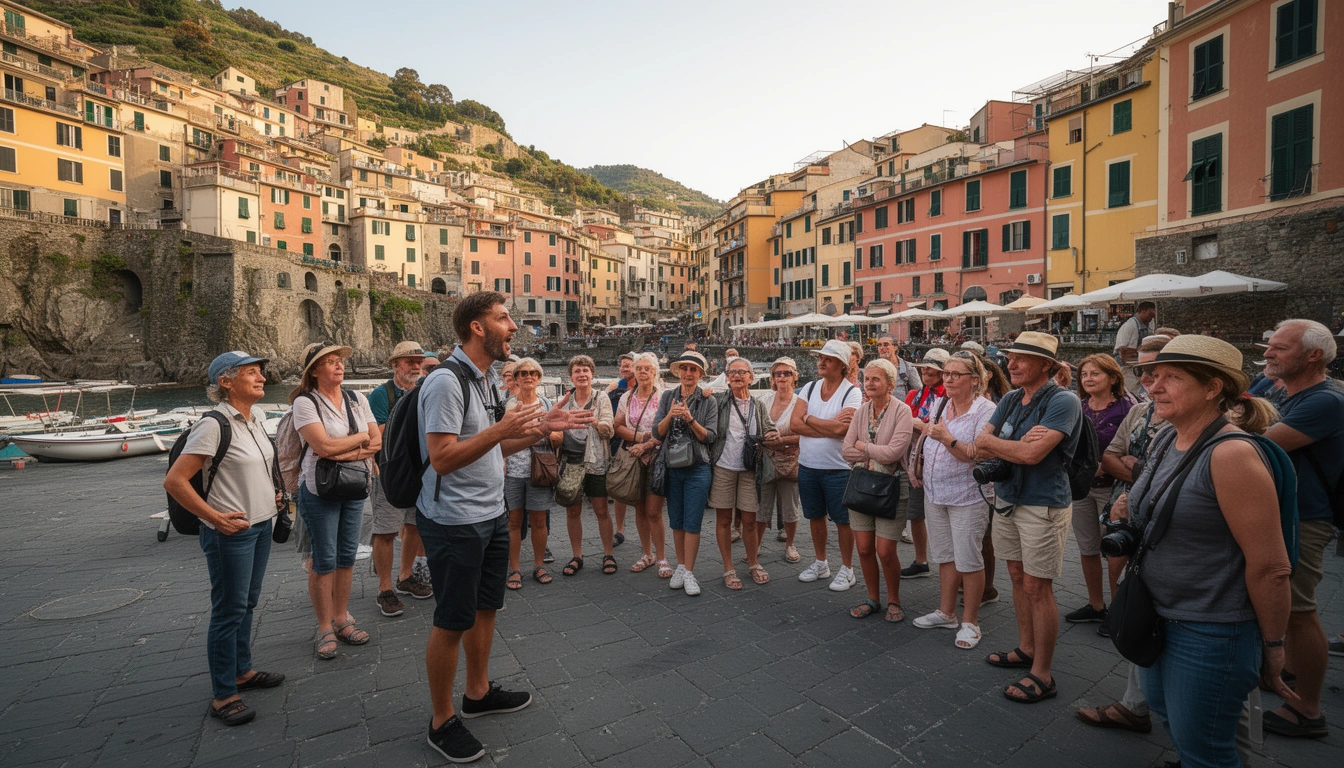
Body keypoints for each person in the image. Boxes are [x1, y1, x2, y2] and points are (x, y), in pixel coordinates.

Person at [416, 292, 593, 762]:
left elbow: (495, 449)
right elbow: (443, 457)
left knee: (487, 606)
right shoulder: (445, 383)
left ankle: (476, 693)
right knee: (452, 619)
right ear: (477, 327)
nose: (513, 326)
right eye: (503, 318)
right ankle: (440, 720)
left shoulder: (487, 380)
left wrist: (540, 428)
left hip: (490, 513)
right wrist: (502, 429)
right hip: (453, 520)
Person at [1121, 335, 1296, 765]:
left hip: (1210, 628)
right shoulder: (1168, 437)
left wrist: (1273, 646)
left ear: (1213, 387)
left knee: (1206, 747)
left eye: (1171, 377)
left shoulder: (1231, 454)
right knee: (1168, 714)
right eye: (1152, 376)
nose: (1153, 386)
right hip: (1159, 613)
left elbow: (1272, 567)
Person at [165, 352, 284, 727]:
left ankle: (241, 671)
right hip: (229, 534)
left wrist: (274, 495)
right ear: (226, 382)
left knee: (246, 603)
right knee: (229, 609)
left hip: (261, 525)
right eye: (252, 373)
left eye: (260, 372)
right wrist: (214, 517)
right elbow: (175, 481)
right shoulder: (213, 425)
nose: (262, 377)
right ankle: (223, 694)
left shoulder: (256, 419)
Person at [975, 331, 1083, 704]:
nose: (1012, 363)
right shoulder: (1009, 398)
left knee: (1039, 587)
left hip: (1043, 503)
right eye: (1011, 356)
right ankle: (1025, 648)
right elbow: (979, 443)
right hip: (1008, 499)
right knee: (1018, 578)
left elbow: (1031, 456)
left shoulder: (1064, 401)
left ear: (1047, 366)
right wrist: (1016, 446)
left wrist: (1005, 446)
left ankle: (1043, 673)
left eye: (1021, 358)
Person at [1076, 333, 1171, 733]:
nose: (1150, 380)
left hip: (1161, 528)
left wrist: (1139, 471)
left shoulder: (1225, 433)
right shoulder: (1142, 414)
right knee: (1123, 578)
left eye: (1160, 372)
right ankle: (1137, 700)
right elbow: (1111, 455)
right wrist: (1137, 469)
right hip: (1123, 508)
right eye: (1145, 373)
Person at [1261, 319, 1342, 738]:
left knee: (1299, 610)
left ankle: (1309, 711)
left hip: (1304, 519)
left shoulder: (1326, 400)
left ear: (1314, 356)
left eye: (1280, 348)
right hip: (1284, 513)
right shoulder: (1280, 390)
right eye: (1269, 346)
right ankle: (1289, 670)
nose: (1269, 354)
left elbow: (1258, 444)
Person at [290, 342, 381, 660]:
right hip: (319, 490)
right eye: (329, 362)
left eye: (339, 361)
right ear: (314, 371)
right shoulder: (305, 403)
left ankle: (341, 617)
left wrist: (347, 449)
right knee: (324, 559)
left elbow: (378, 440)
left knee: (347, 556)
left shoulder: (357, 399)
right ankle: (324, 626)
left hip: (355, 486)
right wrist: (359, 442)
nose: (338, 366)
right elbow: (323, 448)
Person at [912, 351, 998, 649]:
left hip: (967, 496)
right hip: (935, 492)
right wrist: (918, 463)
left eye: (955, 374)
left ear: (974, 380)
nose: (947, 378)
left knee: (969, 559)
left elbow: (978, 454)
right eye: (946, 373)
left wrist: (947, 438)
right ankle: (946, 611)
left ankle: (970, 621)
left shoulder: (986, 411)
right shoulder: (940, 403)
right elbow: (928, 437)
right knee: (945, 555)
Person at [1064, 354, 1135, 627]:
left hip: (1113, 490)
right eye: (1084, 374)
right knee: (1087, 547)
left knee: (1116, 551)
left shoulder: (1127, 409)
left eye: (1095, 374)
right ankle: (1096, 605)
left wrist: (1107, 466)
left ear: (1113, 377)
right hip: (1082, 488)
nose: (1088, 379)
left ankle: (1118, 610)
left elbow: (1131, 449)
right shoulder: (1077, 406)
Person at [842, 358, 915, 620]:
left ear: (890, 384)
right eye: (866, 378)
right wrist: (869, 452)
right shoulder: (862, 410)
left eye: (876, 379)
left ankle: (894, 599)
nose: (869, 383)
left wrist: (863, 448)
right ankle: (873, 598)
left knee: (885, 550)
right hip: (862, 485)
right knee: (863, 548)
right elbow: (845, 450)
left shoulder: (902, 411)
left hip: (891, 487)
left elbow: (894, 453)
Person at [791, 339, 864, 591]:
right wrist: (828, 424)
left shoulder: (852, 392)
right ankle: (821, 562)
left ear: (842, 365)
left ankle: (847, 569)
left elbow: (844, 431)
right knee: (815, 516)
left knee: (844, 520)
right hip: (808, 465)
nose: (821, 362)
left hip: (839, 468)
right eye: (820, 358)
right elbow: (794, 424)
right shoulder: (810, 388)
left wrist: (810, 418)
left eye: (828, 359)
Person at [369, 342, 433, 619]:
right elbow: (380, 432)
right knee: (385, 531)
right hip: (391, 471)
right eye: (408, 361)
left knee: (414, 525)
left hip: (418, 472)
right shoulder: (381, 395)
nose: (415, 366)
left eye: (418, 361)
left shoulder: (426, 391)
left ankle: (405, 576)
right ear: (395, 365)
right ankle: (385, 588)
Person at [655, 351, 719, 596]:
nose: (688, 373)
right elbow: (656, 433)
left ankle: (690, 571)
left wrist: (690, 419)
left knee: (692, 522)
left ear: (701, 374)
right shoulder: (668, 397)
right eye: (684, 368)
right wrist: (671, 415)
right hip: (673, 467)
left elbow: (710, 436)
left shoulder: (707, 400)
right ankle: (680, 566)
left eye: (693, 370)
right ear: (678, 372)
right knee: (676, 520)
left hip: (698, 467)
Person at [708, 356, 773, 589]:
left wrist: (773, 436)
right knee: (724, 519)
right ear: (726, 378)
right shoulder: (718, 401)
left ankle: (753, 563)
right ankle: (728, 567)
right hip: (723, 466)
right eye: (732, 372)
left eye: (742, 372)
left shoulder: (759, 405)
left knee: (750, 520)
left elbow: (770, 429)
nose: (736, 376)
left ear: (751, 377)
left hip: (749, 469)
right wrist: (704, 393)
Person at [502, 357, 558, 589]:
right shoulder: (507, 406)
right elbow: (503, 437)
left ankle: (538, 564)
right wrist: (539, 431)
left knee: (538, 520)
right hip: (513, 470)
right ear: (515, 378)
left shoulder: (547, 405)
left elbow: (558, 437)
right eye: (523, 373)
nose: (528, 376)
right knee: (513, 521)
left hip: (539, 469)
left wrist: (539, 433)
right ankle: (514, 568)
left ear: (539, 378)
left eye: (533, 373)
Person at [559, 355, 617, 577]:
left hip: (596, 461)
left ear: (592, 374)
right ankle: (577, 555)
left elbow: (608, 430)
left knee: (601, 509)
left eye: (585, 370)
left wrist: (591, 420)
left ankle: (608, 553)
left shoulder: (601, 397)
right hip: (571, 460)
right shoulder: (566, 399)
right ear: (571, 376)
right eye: (577, 371)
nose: (581, 374)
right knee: (573, 510)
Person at [614, 353, 670, 577]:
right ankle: (647, 553)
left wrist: (648, 443)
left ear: (655, 372)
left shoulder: (664, 396)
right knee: (638, 509)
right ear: (634, 372)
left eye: (648, 368)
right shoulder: (626, 398)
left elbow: (668, 428)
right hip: (634, 457)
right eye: (640, 369)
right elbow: (617, 426)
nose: (644, 372)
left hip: (657, 459)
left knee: (654, 511)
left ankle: (662, 557)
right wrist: (639, 439)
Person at [902, 348, 950, 579]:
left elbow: (942, 428)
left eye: (932, 368)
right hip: (917, 460)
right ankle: (921, 560)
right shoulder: (915, 394)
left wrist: (917, 423)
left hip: (941, 461)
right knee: (915, 513)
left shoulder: (949, 396)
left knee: (945, 514)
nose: (926, 371)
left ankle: (953, 566)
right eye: (924, 367)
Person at [761, 357, 803, 563]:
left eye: (787, 373)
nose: (782, 377)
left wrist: (783, 440)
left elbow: (807, 434)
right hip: (766, 460)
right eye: (778, 374)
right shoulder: (764, 401)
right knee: (762, 506)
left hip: (791, 461)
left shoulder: (800, 403)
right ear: (773, 378)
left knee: (790, 507)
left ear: (794, 376)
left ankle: (790, 545)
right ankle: (756, 544)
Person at [607, 353, 637, 546]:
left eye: (628, 365)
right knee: (619, 488)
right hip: (620, 442)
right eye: (622, 365)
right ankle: (619, 530)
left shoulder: (647, 385)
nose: (624, 368)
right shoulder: (616, 387)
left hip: (641, 441)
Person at [1114, 301, 1155, 392]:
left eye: (1153, 316)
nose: (1151, 318)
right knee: (1129, 390)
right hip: (1126, 367)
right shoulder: (1130, 326)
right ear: (1142, 311)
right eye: (1150, 314)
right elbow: (1122, 349)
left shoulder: (1144, 326)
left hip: (1136, 365)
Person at [876, 335, 922, 402]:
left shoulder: (908, 368)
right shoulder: (874, 368)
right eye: (879, 345)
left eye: (886, 345)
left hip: (902, 409)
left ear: (895, 347)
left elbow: (919, 392)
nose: (882, 348)